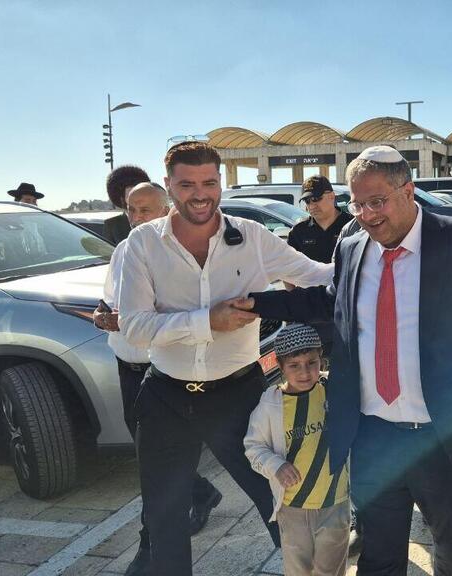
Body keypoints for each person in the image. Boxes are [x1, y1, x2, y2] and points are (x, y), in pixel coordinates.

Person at [244, 145, 452, 575]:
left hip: (447, 436)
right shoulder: (351, 248)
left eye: (376, 201)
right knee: (379, 557)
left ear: (409, 191)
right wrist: (255, 302)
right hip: (373, 437)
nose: (365, 215)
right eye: (356, 204)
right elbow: (331, 300)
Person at [116, 141, 333, 574]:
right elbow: (135, 328)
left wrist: (378, 253)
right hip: (165, 396)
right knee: (164, 515)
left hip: (239, 393)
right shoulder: (142, 244)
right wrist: (206, 321)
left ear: (221, 182)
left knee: (278, 495)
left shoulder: (251, 237)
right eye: (188, 184)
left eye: (209, 183)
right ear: (169, 186)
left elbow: (317, 274)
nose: (200, 194)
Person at [91, 182, 223, 576]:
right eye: (132, 210)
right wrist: (106, 315)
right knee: (148, 454)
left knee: (158, 465)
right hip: (126, 363)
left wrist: (136, 323)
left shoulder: (177, 252)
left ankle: (150, 550)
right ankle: (201, 492)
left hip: (161, 372)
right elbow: (112, 300)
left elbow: (177, 317)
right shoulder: (123, 250)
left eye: (146, 209)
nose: (137, 217)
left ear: (167, 208)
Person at [245, 323, 350, 576]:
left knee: (332, 568)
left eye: (311, 363)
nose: (305, 372)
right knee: (298, 569)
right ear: (280, 366)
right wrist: (276, 465)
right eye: (294, 365)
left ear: (321, 359)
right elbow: (253, 447)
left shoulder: (333, 391)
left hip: (335, 501)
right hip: (293, 507)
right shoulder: (271, 405)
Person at [288, 176, 353, 265]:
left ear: (331, 196)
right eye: (307, 201)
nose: (311, 206)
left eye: (316, 199)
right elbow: (290, 269)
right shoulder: (298, 231)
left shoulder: (352, 225)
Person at [103, 165, 151, 244]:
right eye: (131, 196)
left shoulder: (155, 218)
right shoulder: (112, 225)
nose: (137, 199)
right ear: (122, 198)